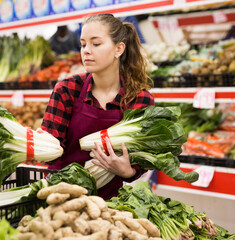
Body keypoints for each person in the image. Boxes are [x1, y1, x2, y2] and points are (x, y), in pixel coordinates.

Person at [41, 13, 155, 200]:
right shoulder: (67, 89)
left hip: (110, 203)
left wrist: (128, 171)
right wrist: (39, 144)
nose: (86, 50)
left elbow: (142, 159)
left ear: (119, 49)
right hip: (59, 194)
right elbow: (50, 152)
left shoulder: (139, 99)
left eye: (96, 44)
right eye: (83, 44)